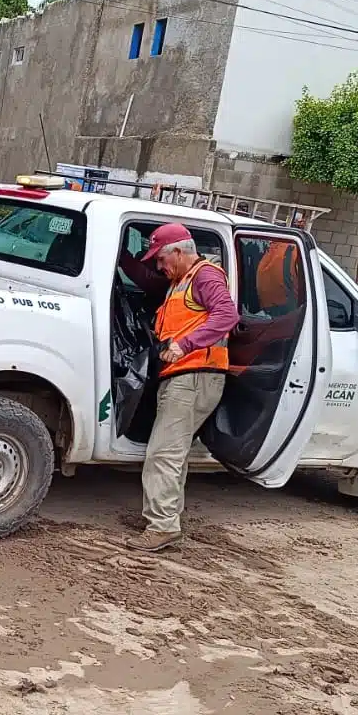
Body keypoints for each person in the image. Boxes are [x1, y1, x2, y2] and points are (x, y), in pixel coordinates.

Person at [127, 222, 240, 552]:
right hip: (185, 376)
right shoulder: (180, 281)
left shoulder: (205, 276)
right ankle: (165, 519)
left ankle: (162, 525)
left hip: (194, 375)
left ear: (178, 252)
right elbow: (149, 282)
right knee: (172, 454)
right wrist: (125, 259)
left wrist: (185, 344)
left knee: (163, 453)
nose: (159, 267)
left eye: (161, 260)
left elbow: (226, 316)